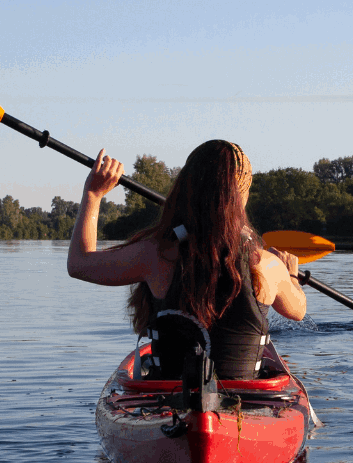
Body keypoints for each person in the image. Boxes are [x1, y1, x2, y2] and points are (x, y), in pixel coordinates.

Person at [67, 139, 306, 380]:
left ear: (186, 188)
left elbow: (79, 264)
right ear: (242, 196)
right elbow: (298, 311)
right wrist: (291, 275)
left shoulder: (155, 254)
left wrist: (93, 194)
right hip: (245, 404)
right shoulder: (267, 265)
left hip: (168, 404)